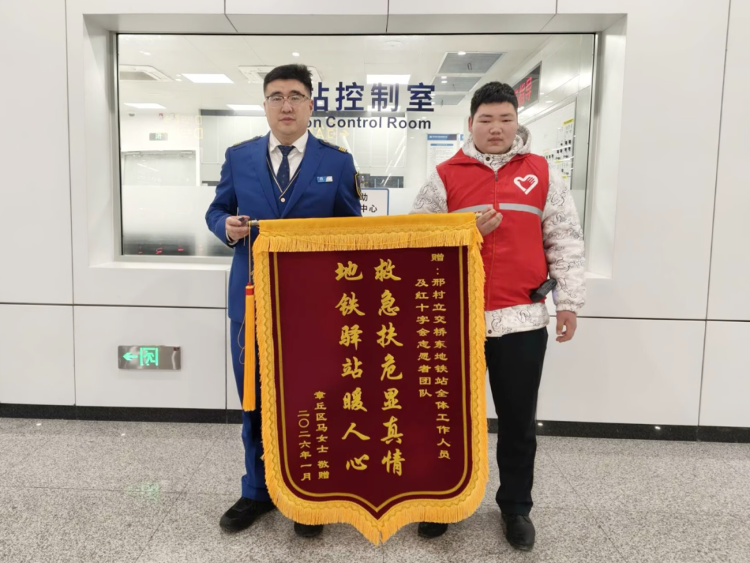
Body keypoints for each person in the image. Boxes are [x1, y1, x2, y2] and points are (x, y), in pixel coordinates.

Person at [411, 82, 586, 551]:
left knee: (517, 421)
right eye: (486, 119)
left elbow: (564, 239)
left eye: (505, 119)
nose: (496, 128)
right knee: (444, 417)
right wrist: (463, 230)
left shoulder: (543, 174)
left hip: (522, 320)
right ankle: (441, 502)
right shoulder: (444, 176)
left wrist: (568, 301)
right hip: (454, 320)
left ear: (517, 122)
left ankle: (515, 507)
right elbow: (417, 240)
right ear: (470, 123)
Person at [205, 64, 362, 538]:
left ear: (311, 104)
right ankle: (257, 491)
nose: (286, 105)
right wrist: (226, 227)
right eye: (276, 96)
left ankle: (309, 494)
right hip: (251, 303)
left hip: (315, 310)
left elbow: (354, 233)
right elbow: (217, 209)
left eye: (295, 96)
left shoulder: (337, 162)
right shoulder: (239, 157)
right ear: (265, 105)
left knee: (313, 400)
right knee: (254, 400)